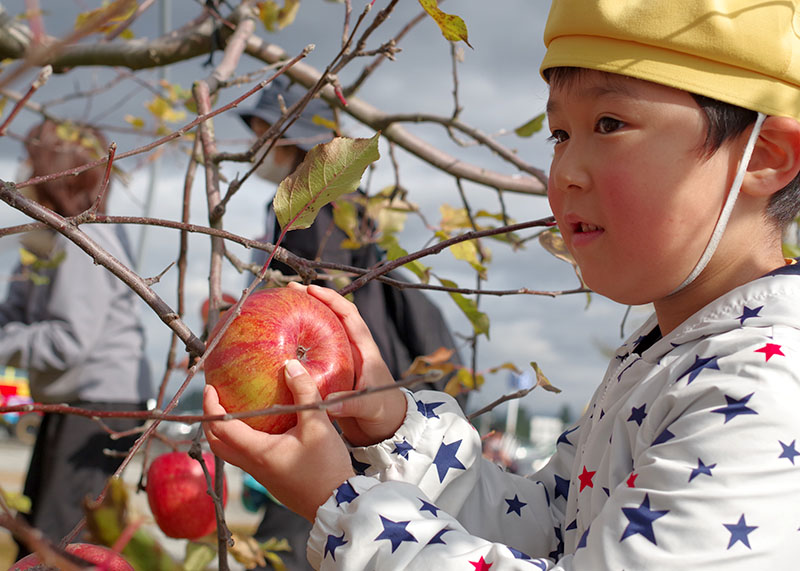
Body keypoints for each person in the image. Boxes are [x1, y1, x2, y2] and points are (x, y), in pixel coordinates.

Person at [204, 1, 800, 566]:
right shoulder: (664, 355)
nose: (563, 172)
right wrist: (394, 430)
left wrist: (346, 510)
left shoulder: (765, 388)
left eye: (609, 123)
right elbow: (543, 529)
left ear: (763, 156)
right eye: (560, 135)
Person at [235, 76, 467, 569]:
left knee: (298, 546)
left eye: (266, 133)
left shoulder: (307, 210)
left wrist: (239, 322)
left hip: (329, 402)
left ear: (296, 139)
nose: (259, 147)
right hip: (355, 395)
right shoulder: (352, 212)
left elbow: (303, 309)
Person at [1, 119, 154, 557]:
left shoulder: (83, 240)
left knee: (58, 539)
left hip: (99, 405)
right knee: (33, 530)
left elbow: (69, 341)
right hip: (73, 399)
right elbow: (14, 312)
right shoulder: (46, 238)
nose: (22, 172)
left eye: (33, 162)